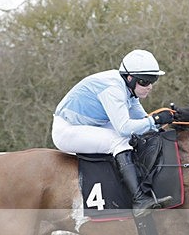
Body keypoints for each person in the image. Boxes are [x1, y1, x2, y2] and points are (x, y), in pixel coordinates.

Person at [52, 49, 175, 217]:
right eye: (145, 81)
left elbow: (143, 120)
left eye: (153, 80)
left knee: (138, 135)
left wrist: (166, 121)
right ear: (129, 78)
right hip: (67, 130)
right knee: (121, 140)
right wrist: (154, 120)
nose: (150, 87)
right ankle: (139, 200)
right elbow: (125, 127)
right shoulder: (113, 88)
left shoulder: (129, 91)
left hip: (91, 125)